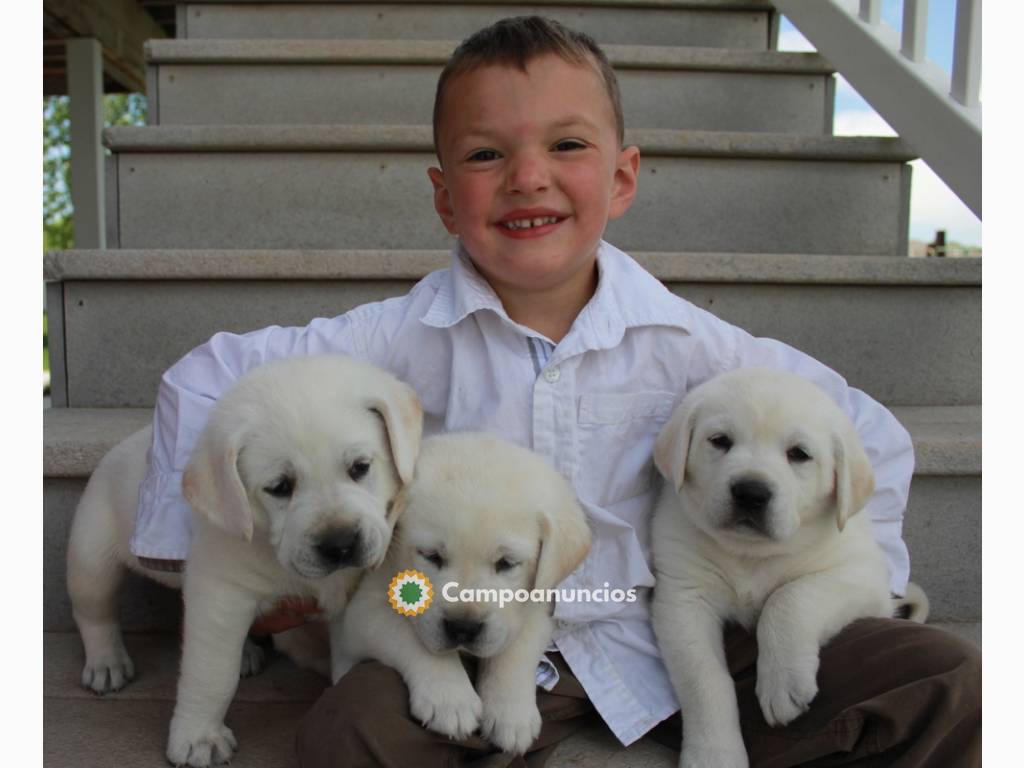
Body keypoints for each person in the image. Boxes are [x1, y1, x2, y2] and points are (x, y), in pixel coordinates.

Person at [132, 16, 980, 768]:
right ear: (442, 195)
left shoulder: (695, 346)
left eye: (567, 146)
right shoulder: (387, 344)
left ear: (622, 178)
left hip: (681, 626)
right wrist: (231, 559)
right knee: (343, 738)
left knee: (950, 682)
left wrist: (843, 590)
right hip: (451, 626)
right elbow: (202, 378)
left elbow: (871, 435)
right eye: (485, 153)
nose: (527, 177)